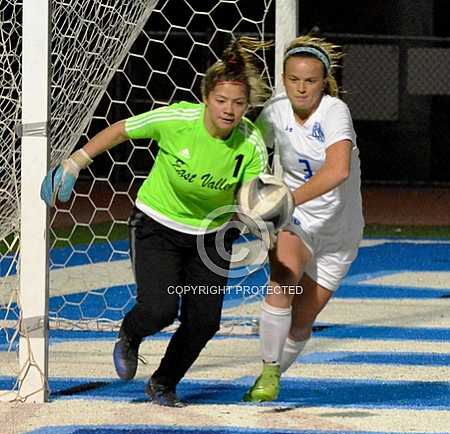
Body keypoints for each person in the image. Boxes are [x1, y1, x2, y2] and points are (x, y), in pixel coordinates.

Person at [41, 37, 272, 407]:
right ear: (206, 97)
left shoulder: (252, 144)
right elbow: (121, 129)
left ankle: (163, 382)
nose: (229, 110)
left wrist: (260, 212)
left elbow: (252, 194)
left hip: (210, 238)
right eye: (221, 100)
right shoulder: (178, 119)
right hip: (157, 225)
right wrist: (75, 162)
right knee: (160, 309)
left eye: (239, 103)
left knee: (204, 321)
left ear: (247, 106)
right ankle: (130, 335)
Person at [243, 35, 364, 402]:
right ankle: (267, 375)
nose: (301, 86)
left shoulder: (333, 111)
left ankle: (275, 370)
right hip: (298, 223)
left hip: (341, 234)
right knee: (284, 278)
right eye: (293, 78)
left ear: (323, 82)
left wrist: (286, 198)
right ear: (283, 78)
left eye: (310, 80)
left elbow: (338, 170)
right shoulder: (275, 113)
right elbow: (247, 150)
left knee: (302, 321)